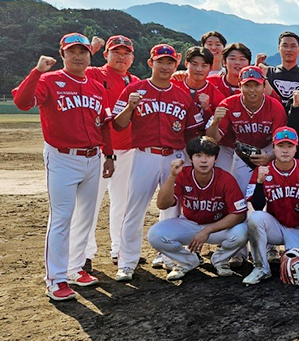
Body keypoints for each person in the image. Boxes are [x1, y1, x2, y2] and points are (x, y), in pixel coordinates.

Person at [12, 33, 114, 301]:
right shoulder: (49, 80)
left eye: (82, 52)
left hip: (93, 157)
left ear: (90, 56)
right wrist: (36, 72)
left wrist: (109, 155)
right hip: (62, 158)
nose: (77, 56)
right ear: (62, 55)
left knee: (86, 217)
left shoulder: (96, 87)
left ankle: (74, 268)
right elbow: (22, 103)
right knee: (61, 217)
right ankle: (55, 279)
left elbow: (103, 124)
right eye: (72, 52)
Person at [111, 44, 205, 281]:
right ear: (150, 62)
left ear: (176, 65)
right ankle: (127, 262)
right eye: (160, 61)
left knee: (173, 209)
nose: (165, 66)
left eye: (169, 62)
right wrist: (130, 107)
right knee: (135, 208)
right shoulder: (135, 89)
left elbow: (193, 131)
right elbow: (118, 125)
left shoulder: (182, 95)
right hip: (145, 154)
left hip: (175, 155)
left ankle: (170, 257)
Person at [147, 137, 247, 281]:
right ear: (191, 158)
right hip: (190, 224)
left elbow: (239, 214)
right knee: (155, 234)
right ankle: (187, 261)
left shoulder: (226, 179)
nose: (204, 160)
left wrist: (207, 230)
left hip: (217, 227)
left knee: (243, 231)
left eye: (209, 156)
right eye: (198, 155)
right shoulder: (182, 174)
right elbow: (162, 204)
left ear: (215, 159)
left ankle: (220, 260)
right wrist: (172, 176)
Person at [82, 35, 138, 269]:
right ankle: (84, 254)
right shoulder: (95, 74)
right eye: (116, 52)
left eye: (126, 53)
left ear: (133, 58)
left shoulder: (135, 81)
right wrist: (90, 50)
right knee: (90, 203)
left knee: (123, 202)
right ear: (106, 54)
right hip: (100, 149)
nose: (121, 57)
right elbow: (75, 70)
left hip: (128, 149)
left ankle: (120, 249)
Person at [242, 127, 299, 285]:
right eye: (280, 146)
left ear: (296, 148)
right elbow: (257, 206)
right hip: (276, 227)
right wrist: (260, 182)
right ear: (273, 148)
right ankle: (260, 268)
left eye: (290, 146)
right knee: (255, 218)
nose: (285, 150)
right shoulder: (262, 171)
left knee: (297, 269)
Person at [207, 66, 287, 191]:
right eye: (247, 85)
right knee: (237, 189)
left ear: (264, 86)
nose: (252, 90)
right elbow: (213, 139)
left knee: (272, 189)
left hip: (268, 148)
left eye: (256, 85)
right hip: (240, 150)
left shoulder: (275, 107)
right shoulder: (228, 104)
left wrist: (270, 157)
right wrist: (215, 123)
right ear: (239, 86)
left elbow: (281, 142)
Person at [263, 31, 299, 102]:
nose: (289, 50)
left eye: (293, 46)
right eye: (285, 46)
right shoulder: (268, 73)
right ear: (279, 48)